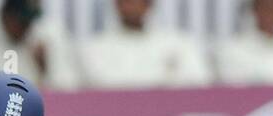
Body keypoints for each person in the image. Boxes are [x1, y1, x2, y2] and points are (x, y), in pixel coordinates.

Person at [77, 0, 212, 89]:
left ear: (149, 5)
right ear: (116, 5)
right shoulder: (96, 48)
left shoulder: (178, 44)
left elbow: (199, 83)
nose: (131, 7)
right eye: (125, 2)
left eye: (137, 1)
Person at [0, 0, 79, 91]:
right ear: (5, 13)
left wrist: (44, 70)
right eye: (21, 21)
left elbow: (70, 91)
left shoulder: (48, 35)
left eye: (30, 21)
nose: (26, 27)